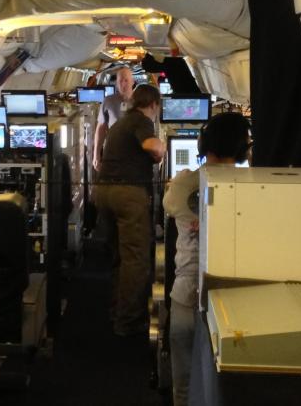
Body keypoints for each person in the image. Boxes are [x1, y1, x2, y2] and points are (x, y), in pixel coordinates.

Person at [162, 112, 251, 406]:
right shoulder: (252, 186)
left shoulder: (183, 184)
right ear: (244, 148)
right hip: (233, 307)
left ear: (203, 144)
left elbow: (170, 207)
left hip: (186, 297)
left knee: (184, 388)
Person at [94, 84, 166, 336]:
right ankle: (129, 322)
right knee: (136, 259)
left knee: (119, 256)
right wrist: (162, 149)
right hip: (128, 195)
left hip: (104, 191)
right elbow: (152, 146)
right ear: (154, 105)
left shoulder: (120, 123)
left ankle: (117, 309)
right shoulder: (141, 120)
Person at [92, 66, 134, 171]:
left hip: (134, 153)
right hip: (112, 152)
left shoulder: (140, 101)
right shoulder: (108, 101)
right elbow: (101, 129)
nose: (123, 84)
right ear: (116, 83)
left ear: (132, 82)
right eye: (120, 81)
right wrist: (96, 154)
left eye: (126, 80)